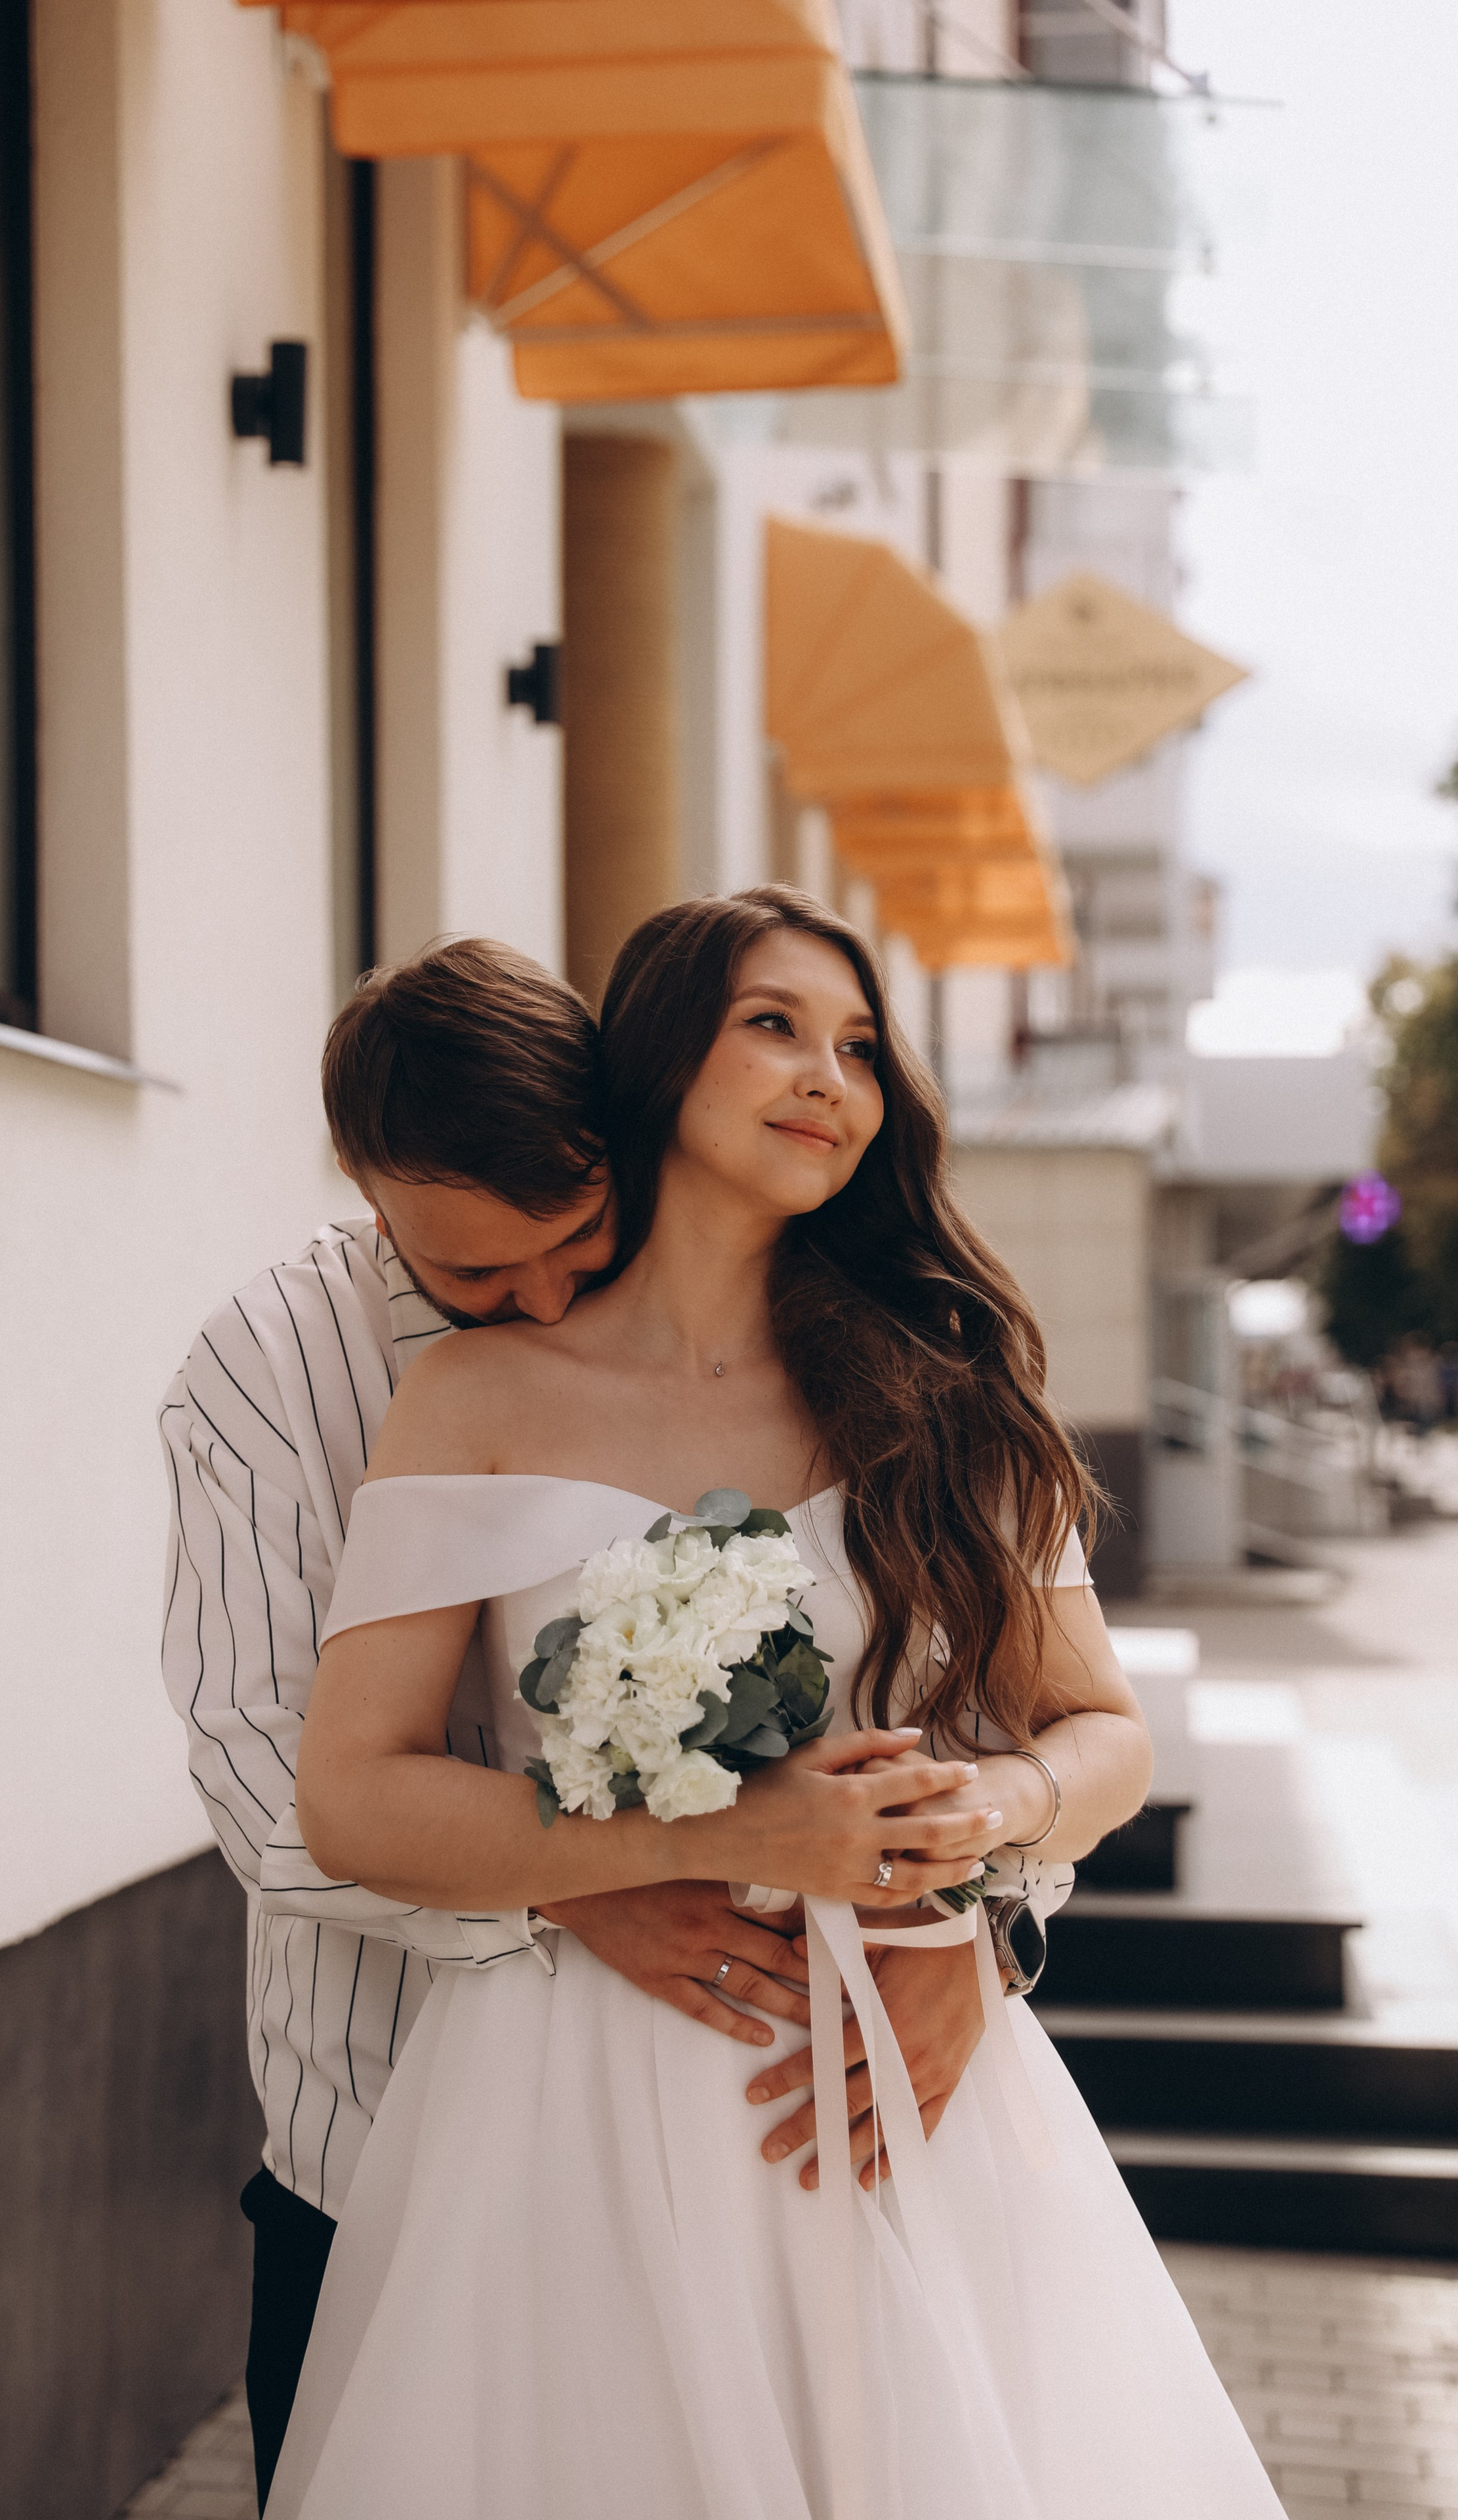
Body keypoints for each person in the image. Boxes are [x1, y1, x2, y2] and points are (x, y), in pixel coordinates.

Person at [274, 887, 1281, 2519]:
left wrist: (992, 1825)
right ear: (658, 1058)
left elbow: (1102, 1737)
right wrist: (742, 1830)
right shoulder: (469, 1395)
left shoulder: (944, 1387)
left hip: (897, 2083)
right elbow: (357, 1798)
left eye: (861, 1046)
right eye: (775, 1027)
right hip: (572, 2109)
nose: (831, 1075)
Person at [160, 934, 1075, 2512]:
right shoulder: (267, 1370)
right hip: (382, 2128)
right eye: (473, 1274)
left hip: (808, 2129)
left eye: (576, 1233)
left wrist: (978, 1939)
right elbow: (269, 1780)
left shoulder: (858, 1363)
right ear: (368, 1191)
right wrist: (592, 1889)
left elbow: (989, 1714)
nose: (543, 1293)